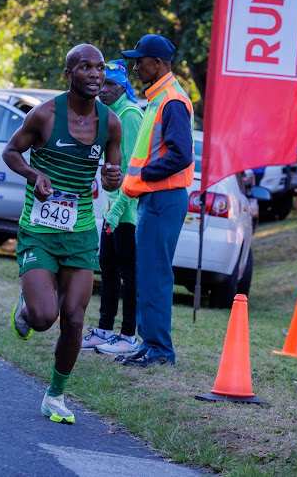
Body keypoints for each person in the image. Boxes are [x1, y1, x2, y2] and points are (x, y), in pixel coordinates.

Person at [3, 44, 123, 424]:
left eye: (99, 68)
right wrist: (35, 175)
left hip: (81, 232)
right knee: (43, 317)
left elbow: (112, 174)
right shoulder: (45, 115)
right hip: (39, 229)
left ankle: (56, 395)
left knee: (73, 317)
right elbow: (10, 152)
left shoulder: (111, 123)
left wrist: (112, 177)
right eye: (85, 67)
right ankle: (27, 307)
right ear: (69, 75)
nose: (94, 74)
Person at [118, 34, 195, 367]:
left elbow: (181, 154)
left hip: (163, 198)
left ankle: (161, 350)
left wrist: (147, 173)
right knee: (147, 274)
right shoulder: (159, 98)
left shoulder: (172, 100)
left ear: (159, 63)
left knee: (156, 275)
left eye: (141, 60)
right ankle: (150, 344)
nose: (136, 66)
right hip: (154, 199)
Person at [81, 59, 143, 355]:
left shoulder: (129, 115)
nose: (104, 89)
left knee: (127, 273)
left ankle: (128, 335)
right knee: (106, 269)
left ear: (123, 87)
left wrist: (116, 211)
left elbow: (132, 167)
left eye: (111, 85)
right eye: (102, 83)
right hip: (112, 209)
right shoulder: (109, 115)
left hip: (126, 212)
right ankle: (105, 330)